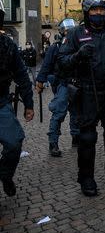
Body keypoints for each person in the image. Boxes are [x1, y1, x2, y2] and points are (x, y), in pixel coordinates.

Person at [57, 0, 105, 196]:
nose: (98, 14)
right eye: (94, 10)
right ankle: (86, 177)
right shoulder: (75, 34)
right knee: (87, 138)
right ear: (87, 12)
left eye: (102, 10)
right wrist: (78, 56)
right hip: (87, 93)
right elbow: (62, 63)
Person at [0, 0, 34, 197]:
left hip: (1, 104)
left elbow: (22, 75)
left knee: (14, 143)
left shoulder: (7, 45)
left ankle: (5, 174)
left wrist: (28, 104)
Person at [35, 18, 80, 157]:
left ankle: (76, 138)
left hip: (77, 84)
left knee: (77, 113)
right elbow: (46, 65)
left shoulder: (79, 46)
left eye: (71, 31)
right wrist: (40, 81)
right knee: (59, 113)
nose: (68, 33)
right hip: (63, 84)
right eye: (66, 31)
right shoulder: (55, 47)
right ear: (61, 32)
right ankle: (53, 142)